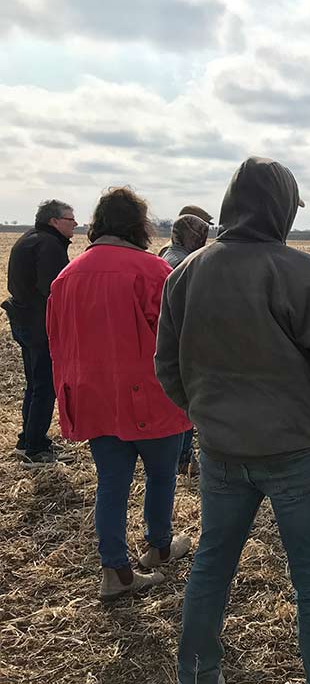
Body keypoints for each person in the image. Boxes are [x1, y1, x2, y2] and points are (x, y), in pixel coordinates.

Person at [156, 157, 310, 684]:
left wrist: (204, 417)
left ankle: (198, 673)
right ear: (279, 211)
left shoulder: (186, 273)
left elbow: (167, 365)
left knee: (211, 565)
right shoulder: (299, 271)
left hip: (221, 453)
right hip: (297, 453)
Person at [46, 187, 193, 601]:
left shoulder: (67, 277)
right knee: (161, 476)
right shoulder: (153, 272)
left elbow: (58, 342)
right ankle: (159, 547)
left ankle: (116, 571)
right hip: (151, 396)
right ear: (139, 226)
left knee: (111, 483)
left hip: (95, 398)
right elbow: (176, 340)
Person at [2, 200, 77, 467]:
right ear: (54, 221)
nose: (75, 224)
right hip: (39, 326)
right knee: (45, 387)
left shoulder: (30, 239)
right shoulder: (49, 245)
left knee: (35, 385)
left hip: (24, 321)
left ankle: (29, 440)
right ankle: (35, 449)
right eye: (71, 219)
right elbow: (54, 289)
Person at [160, 214, 211, 476]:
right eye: (200, 234)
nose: (204, 239)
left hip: (174, 342)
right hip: (183, 344)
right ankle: (183, 458)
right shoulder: (183, 264)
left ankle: (183, 457)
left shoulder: (166, 256)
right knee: (182, 409)